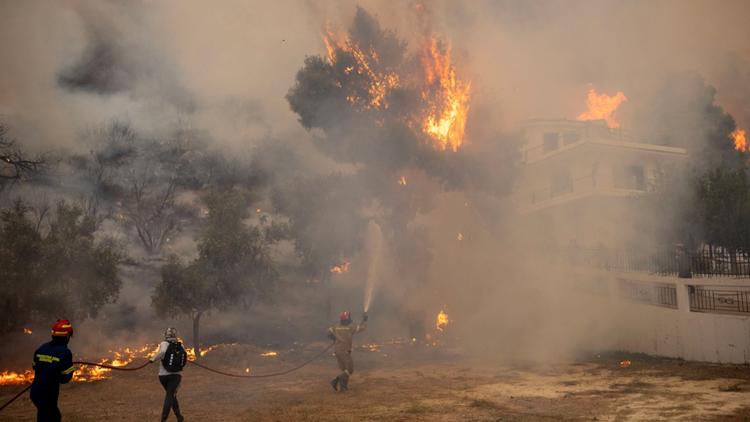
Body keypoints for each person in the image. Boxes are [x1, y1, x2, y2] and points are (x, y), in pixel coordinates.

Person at [30, 319, 75, 422]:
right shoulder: (65, 352)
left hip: (35, 392)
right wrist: (70, 369)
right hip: (48, 394)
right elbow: (65, 379)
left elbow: (35, 367)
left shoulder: (41, 348)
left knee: (44, 415)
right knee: (53, 417)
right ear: (67, 336)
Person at [149, 327, 187, 422]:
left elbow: (162, 352)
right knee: (170, 395)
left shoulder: (164, 343)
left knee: (171, 395)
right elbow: (184, 356)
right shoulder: (180, 345)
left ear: (166, 335)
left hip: (163, 376)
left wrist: (152, 359)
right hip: (176, 376)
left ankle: (179, 417)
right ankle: (163, 419)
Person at [328, 310, 367, 392]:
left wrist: (333, 337)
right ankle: (335, 380)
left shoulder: (336, 326)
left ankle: (343, 387)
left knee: (344, 369)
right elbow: (362, 328)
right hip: (344, 350)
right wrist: (364, 320)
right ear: (347, 319)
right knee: (350, 369)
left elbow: (329, 332)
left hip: (337, 350)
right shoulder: (351, 327)